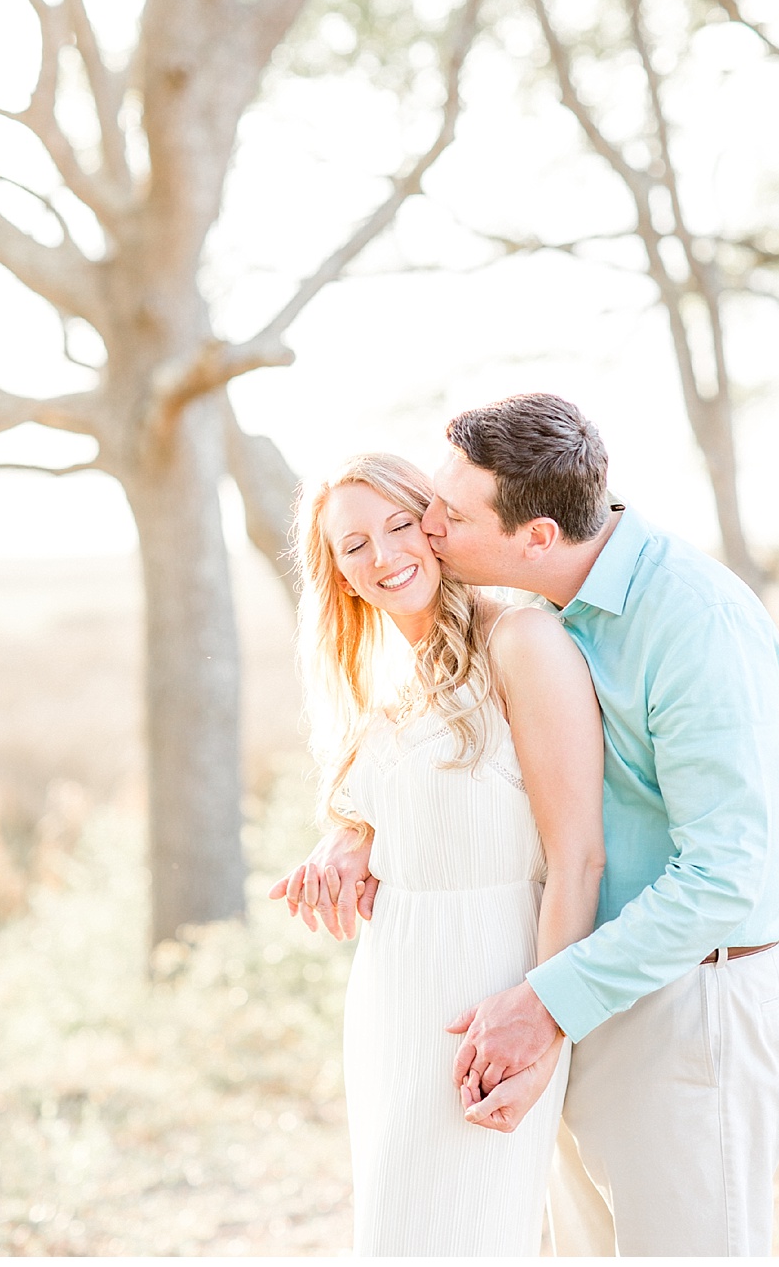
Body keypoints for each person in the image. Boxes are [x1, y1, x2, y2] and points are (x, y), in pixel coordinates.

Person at [277, 394, 779, 1256]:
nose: (429, 531)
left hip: (690, 997)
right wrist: (361, 833)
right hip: (578, 987)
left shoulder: (690, 623)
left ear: (537, 536)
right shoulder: (560, 610)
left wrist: (548, 1004)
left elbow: (723, 875)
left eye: (443, 515)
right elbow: (492, 779)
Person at [282, 452, 605, 1255]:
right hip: (392, 991)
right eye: (354, 546)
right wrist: (347, 838)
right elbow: (401, 807)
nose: (385, 556)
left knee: (465, 1236)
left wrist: (546, 1021)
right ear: (338, 573)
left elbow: (578, 859)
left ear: (436, 526)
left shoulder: (523, 639)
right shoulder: (387, 676)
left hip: (487, 986)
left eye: (400, 526)